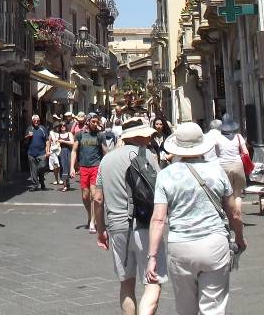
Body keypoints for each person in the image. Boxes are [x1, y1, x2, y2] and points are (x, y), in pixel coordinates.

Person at [144, 122, 245, 315]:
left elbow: (158, 220)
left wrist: (152, 257)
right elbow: (234, 213)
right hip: (214, 243)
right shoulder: (217, 171)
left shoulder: (165, 175)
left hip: (180, 245)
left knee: (186, 308)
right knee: (213, 308)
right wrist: (239, 238)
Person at [93, 117, 166, 315]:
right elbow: (161, 188)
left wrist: (101, 229)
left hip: (117, 227)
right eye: (146, 135)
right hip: (144, 225)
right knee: (153, 282)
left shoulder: (106, 160)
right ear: (138, 136)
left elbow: (97, 199)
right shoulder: (146, 155)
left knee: (126, 284)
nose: (149, 139)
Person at [72, 112, 108, 233]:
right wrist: (72, 167)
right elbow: (74, 150)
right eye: (93, 122)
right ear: (88, 121)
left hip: (96, 167)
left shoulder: (100, 135)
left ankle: (93, 221)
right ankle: (89, 215)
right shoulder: (80, 134)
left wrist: (107, 166)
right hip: (83, 167)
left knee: (93, 195)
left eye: (97, 122)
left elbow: (105, 152)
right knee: (85, 196)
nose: (95, 124)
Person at [213, 116, 247, 210]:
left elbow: (216, 153)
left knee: (227, 194)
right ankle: (238, 213)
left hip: (223, 166)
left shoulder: (217, 138)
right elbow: (246, 152)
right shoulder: (238, 136)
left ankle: (229, 216)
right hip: (238, 165)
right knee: (238, 194)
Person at [23, 114, 50, 191]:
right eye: (34, 121)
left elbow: (47, 140)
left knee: (41, 167)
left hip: (41, 153)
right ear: (32, 121)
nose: (36, 122)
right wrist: (28, 136)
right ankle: (35, 185)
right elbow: (24, 140)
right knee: (33, 170)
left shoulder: (42, 128)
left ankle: (41, 181)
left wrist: (47, 151)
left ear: (39, 121)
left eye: (37, 121)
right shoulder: (29, 128)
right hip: (31, 153)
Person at [59, 113, 77, 191]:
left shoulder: (69, 134)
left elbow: (72, 142)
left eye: (64, 125)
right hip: (61, 152)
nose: (62, 127)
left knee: (68, 167)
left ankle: (67, 183)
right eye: (61, 126)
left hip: (68, 151)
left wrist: (63, 141)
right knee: (63, 167)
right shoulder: (58, 134)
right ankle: (65, 185)